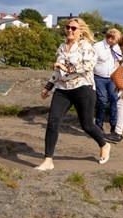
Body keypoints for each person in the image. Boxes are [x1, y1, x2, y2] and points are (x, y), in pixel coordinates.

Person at [36, 17, 110, 171]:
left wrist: (66, 67)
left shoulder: (86, 46)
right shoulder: (62, 46)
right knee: (52, 122)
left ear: (81, 31)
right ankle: (48, 160)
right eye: (67, 27)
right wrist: (48, 87)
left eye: (73, 28)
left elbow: (88, 66)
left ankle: (104, 144)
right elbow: (57, 70)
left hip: (83, 87)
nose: (70, 30)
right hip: (63, 89)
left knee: (87, 125)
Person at [92, 28, 122, 133]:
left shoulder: (116, 47)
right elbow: (91, 62)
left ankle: (114, 125)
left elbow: (119, 60)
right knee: (102, 100)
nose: (117, 42)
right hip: (99, 77)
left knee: (114, 98)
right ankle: (98, 124)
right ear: (110, 38)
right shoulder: (97, 47)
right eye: (116, 40)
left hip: (112, 78)